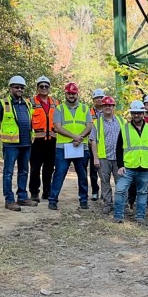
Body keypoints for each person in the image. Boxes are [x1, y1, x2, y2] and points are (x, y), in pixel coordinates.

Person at [0, 75, 36, 211]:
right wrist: (4, 137)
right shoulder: (4, 103)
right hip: (11, 145)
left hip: (26, 144)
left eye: (22, 87)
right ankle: (9, 200)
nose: (19, 89)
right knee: (8, 172)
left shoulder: (27, 103)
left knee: (24, 171)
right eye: (17, 87)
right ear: (11, 88)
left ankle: (22, 197)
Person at [48, 82, 93, 211]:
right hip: (63, 147)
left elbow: (89, 125)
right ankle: (53, 200)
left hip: (81, 146)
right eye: (69, 93)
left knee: (82, 174)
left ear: (77, 94)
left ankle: (83, 200)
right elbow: (57, 127)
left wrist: (80, 138)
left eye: (73, 93)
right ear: (65, 94)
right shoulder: (59, 109)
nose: (71, 95)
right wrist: (75, 137)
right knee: (59, 173)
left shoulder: (85, 108)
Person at [112, 100, 148, 224]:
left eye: (138, 113)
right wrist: (120, 165)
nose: (136, 115)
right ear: (131, 114)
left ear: (143, 113)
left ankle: (140, 216)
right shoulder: (125, 128)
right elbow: (119, 149)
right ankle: (118, 216)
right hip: (128, 167)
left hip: (146, 167)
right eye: (134, 113)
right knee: (120, 190)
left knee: (142, 192)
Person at [90, 96, 124, 215]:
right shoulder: (97, 123)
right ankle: (107, 204)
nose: (107, 107)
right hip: (103, 158)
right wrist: (95, 157)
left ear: (113, 107)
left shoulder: (122, 121)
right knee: (105, 183)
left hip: (119, 158)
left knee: (121, 183)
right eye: (105, 106)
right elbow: (93, 140)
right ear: (102, 107)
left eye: (110, 105)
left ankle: (121, 205)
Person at [28, 75, 58, 203]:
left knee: (49, 167)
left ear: (49, 88)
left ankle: (47, 191)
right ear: (37, 88)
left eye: (46, 86)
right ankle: (34, 192)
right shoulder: (30, 102)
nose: (44, 88)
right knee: (35, 167)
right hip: (37, 141)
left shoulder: (55, 102)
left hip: (52, 140)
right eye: (41, 86)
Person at [88, 89, 105, 201]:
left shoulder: (108, 111)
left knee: (105, 171)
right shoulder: (88, 113)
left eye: (101, 98)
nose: (99, 100)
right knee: (93, 170)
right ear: (93, 100)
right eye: (97, 98)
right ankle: (95, 191)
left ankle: (105, 191)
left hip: (105, 146)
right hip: (91, 144)